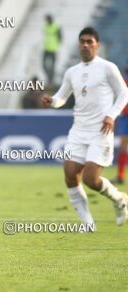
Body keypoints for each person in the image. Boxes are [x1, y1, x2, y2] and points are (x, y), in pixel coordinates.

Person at [41, 27, 128, 229]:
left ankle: (119, 199)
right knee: (70, 175)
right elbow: (62, 97)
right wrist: (52, 101)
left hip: (101, 131)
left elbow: (124, 93)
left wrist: (111, 115)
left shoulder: (108, 68)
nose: (85, 45)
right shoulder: (72, 72)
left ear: (97, 45)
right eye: (82, 41)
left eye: (90, 41)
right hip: (78, 131)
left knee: (90, 178)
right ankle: (87, 223)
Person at [113, 67, 128, 184]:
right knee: (123, 146)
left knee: (124, 146)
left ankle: (120, 175)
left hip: (125, 116)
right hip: (125, 116)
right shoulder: (124, 82)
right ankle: (120, 176)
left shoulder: (123, 82)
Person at [42, 14, 62, 85]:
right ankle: (49, 76)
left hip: (53, 49)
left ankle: (51, 79)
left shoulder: (56, 27)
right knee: (44, 65)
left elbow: (60, 37)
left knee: (52, 65)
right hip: (46, 48)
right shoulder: (45, 26)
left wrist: (57, 44)